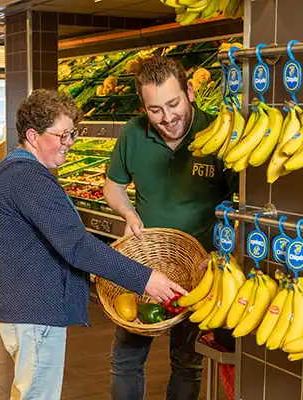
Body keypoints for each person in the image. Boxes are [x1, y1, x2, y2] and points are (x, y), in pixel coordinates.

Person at [0, 89, 185, 400]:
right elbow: (77, 246)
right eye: (62, 135)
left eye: (72, 134)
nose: (70, 143)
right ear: (33, 136)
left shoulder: (13, 172)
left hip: (17, 304)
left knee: (27, 389)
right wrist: (146, 279)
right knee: (38, 395)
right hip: (34, 309)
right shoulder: (29, 180)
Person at [104, 56, 238, 400]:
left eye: (173, 103)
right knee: (126, 359)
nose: (167, 118)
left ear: (190, 91)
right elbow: (112, 185)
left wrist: (226, 254)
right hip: (146, 266)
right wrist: (128, 213)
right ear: (142, 107)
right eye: (155, 110)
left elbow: (242, 203)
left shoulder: (218, 135)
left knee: (187, 362)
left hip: (201, 270)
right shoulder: (133, 134)